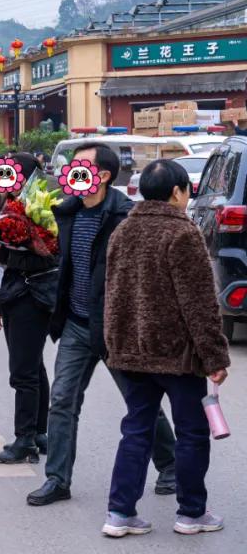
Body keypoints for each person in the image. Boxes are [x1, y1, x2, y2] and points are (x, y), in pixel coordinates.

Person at [27, 143, 178, 506]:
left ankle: (170, 466)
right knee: (63, 401)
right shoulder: (67, 213)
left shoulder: (126, 217)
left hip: (116, 328)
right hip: (78, 326)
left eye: (78, 167)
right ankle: (58, 480)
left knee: (140, 401)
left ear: (103, 175)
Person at [100, 160, 230, 537]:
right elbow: (200, 304)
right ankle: (191, 513)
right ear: (177, 192)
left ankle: (119, 513)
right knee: (191, 432)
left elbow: (112, 296)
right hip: (178, 355)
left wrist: (114, 345)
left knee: (136, 431)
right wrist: (215, 357)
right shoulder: (182, 234)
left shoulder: (123, 231)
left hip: (130, 351)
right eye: (187, 190)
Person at [0, 153, 58, 464]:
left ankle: (25, 439)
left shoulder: (41, 209)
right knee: (33, 366)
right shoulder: (14, 206)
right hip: (16, 295)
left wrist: (0, 255)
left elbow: (48, 257)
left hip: (32, 296)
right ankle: (40, 432)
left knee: (23, 372)